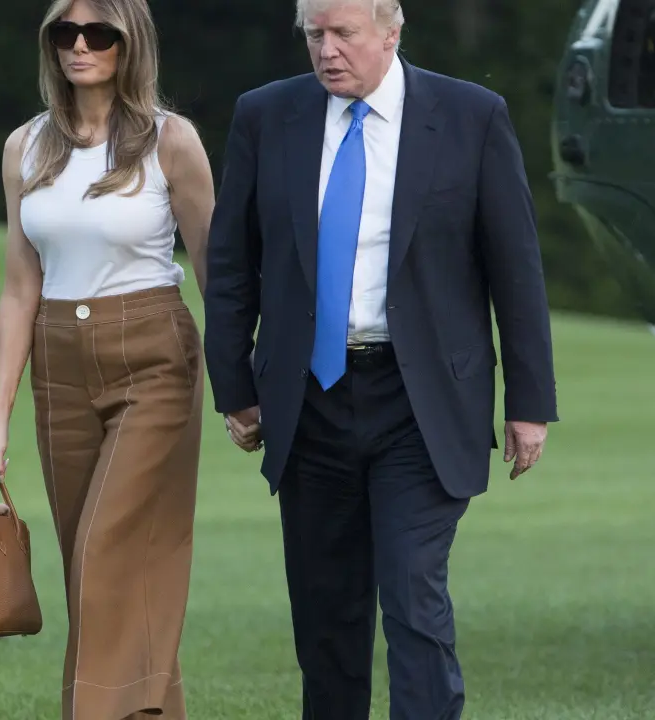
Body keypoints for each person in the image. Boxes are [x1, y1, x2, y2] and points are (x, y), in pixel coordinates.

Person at [202, 0, 558, 717]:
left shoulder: (471, 117)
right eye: (314, 35)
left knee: (412, 596)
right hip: (310, 401)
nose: (327, 50)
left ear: (392, 33)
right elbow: (233, 263)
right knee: (326, 617)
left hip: (421, 403)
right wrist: (234, 385)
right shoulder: (266, 116)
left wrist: (529, 405)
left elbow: (515, 269)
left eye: (344, 34)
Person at [0, 0, 217, 717]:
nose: (80, 45)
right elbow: (20, 287)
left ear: (129, 43)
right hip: (59, 361)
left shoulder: (172, 141)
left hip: (154, 356)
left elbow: (214, 270)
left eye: (98, 33)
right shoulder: (26, 147)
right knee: (93, 565)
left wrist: (242, 384)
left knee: (107, 553)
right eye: (65, 33)